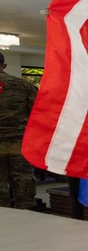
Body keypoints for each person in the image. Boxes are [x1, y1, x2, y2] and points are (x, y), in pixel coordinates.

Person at [0, 53, 39, 209]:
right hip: (20, 143)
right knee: (24, 183)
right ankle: (27, 215)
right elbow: (37, 113)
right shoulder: (24, 85)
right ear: (4, 65)